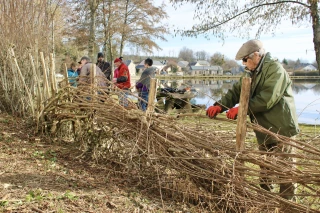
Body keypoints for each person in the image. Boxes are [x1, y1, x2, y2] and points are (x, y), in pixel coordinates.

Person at [206, 39, 299, 200]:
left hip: (282, 128)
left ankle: (288, 205)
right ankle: (265, 203)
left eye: (245, 60)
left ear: (256, 55)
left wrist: (242, 109)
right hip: (264, 130)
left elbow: (267, 98)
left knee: (286, 171)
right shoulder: (251, 71)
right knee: (265, 170)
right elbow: (236, 91)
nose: (244, 63)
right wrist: (220, 106)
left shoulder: (275, 70)